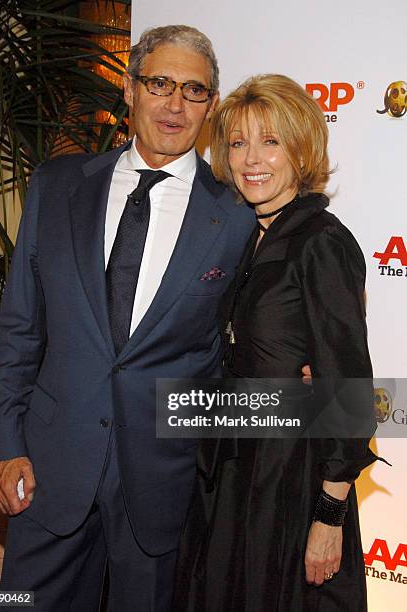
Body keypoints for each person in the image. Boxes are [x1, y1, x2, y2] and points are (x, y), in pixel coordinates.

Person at [0, 26, 256, 612]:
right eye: (159, 83)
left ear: (210, 105)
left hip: (163, 482)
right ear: (130, 90)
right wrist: (3, 444)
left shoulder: (235, 214)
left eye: (194, 90)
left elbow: (235, 348)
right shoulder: (57, 187)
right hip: (49, 469)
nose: (175, 104)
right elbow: (20, 327)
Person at [174, 74, 378, 611]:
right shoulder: (245, 236)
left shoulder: (320, 243)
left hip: (292, 480)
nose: (251, 159)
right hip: (234, 468)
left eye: (271, 140)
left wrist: (329, 517)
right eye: (238, 142)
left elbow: (350, 389)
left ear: (300, 149)